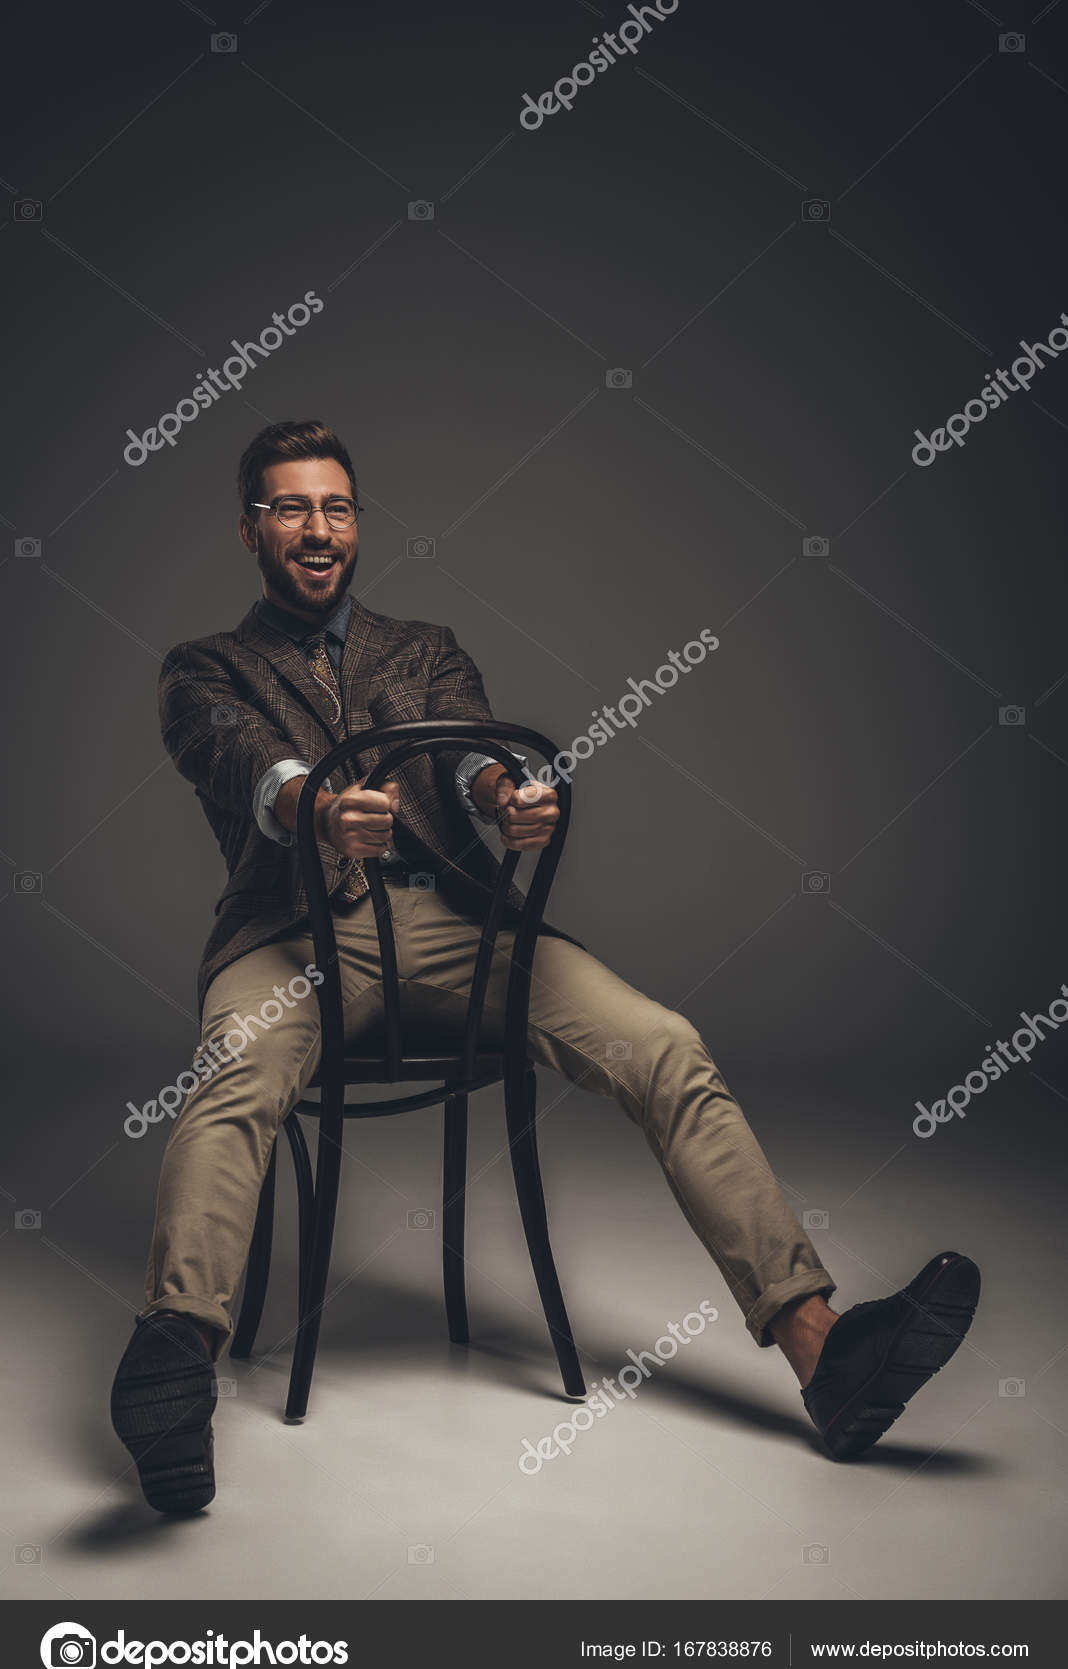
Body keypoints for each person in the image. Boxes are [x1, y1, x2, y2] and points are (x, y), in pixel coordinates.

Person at [110, 420, 980, 1514]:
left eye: (336, 505)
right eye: (289, 507)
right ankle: (177, 1369)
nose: (317, 527)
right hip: (295, 942)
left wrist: (507, 795)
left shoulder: (420, 643)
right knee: (234, 1066)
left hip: (458, 931)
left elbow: (475, 744)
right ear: (250, 529)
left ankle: (826, 1350)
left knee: (665, 1045)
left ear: (357, 524)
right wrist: (321, 805)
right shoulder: (205, 668)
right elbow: (247, 762)